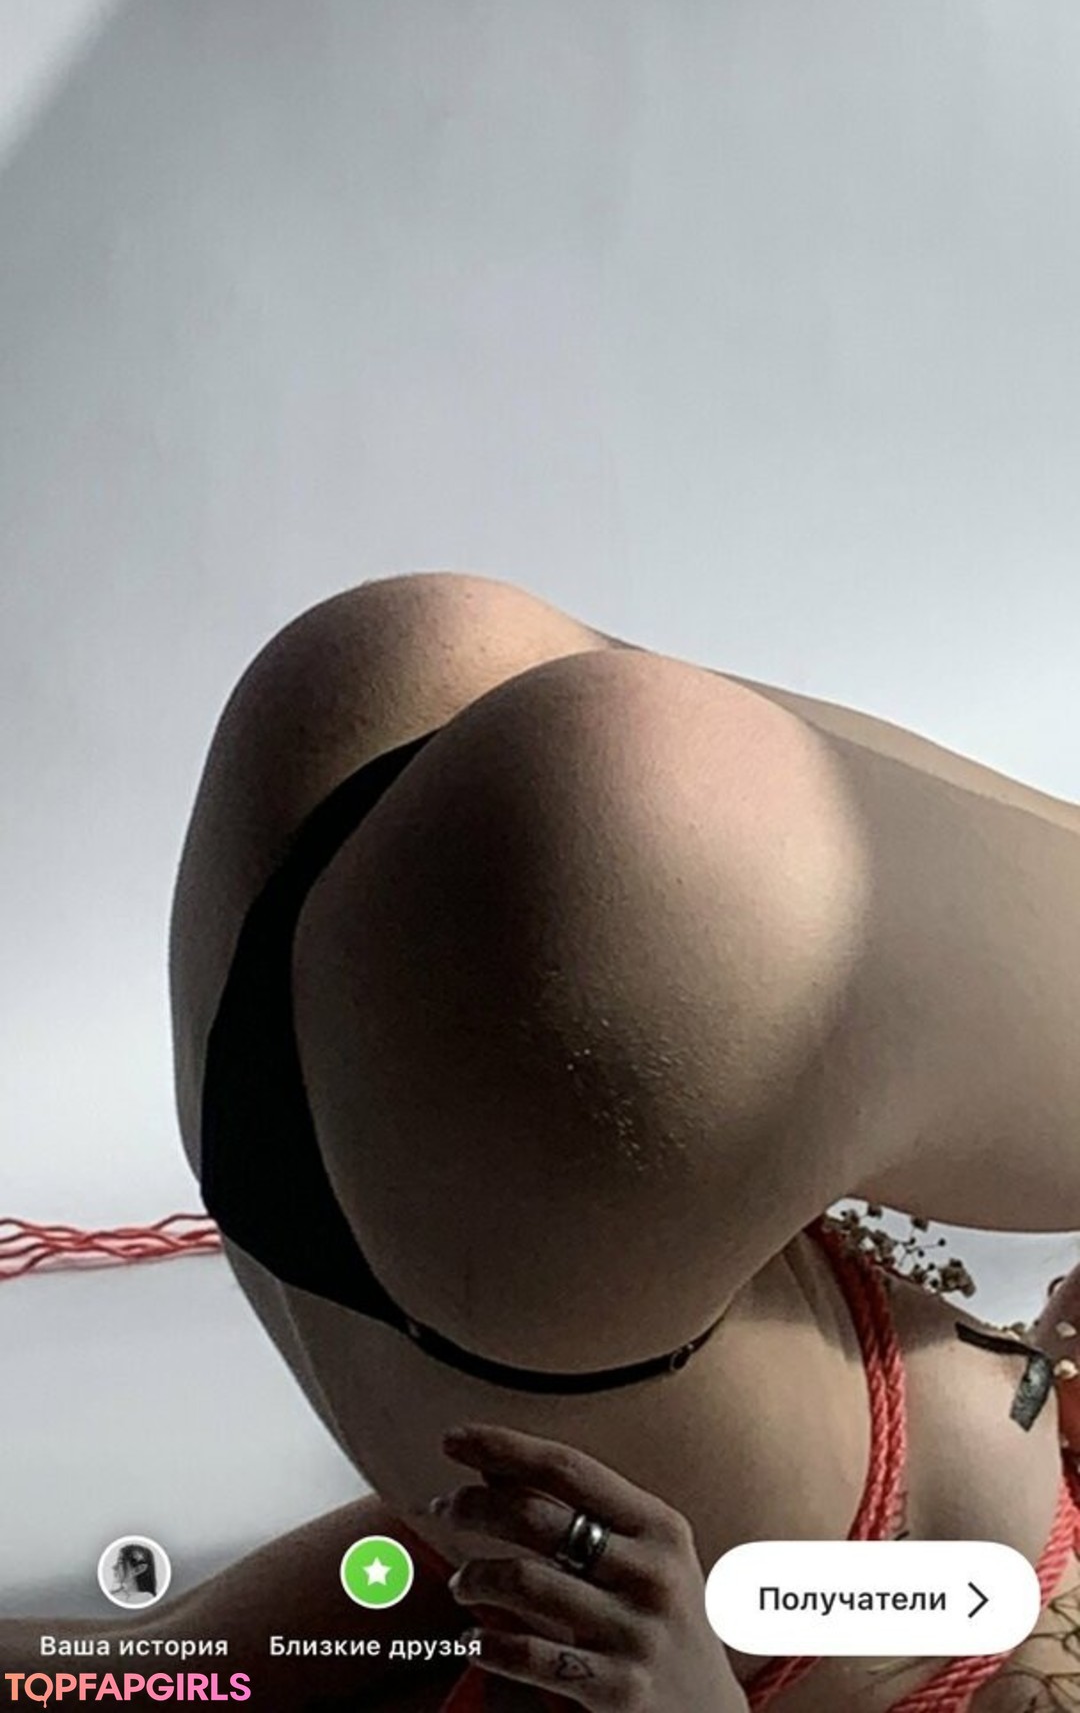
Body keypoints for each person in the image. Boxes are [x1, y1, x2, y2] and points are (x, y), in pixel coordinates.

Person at [5, 571, 1080, 1709]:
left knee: (600, 787)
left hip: (561, 1232)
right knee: (432, 667)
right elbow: (151, 1670)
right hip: (470, 1246)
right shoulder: (519, 1559)